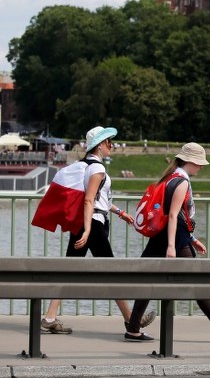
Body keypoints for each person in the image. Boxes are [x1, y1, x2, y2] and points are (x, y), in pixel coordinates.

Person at [42, 126, 156, 335]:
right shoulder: (97, 169)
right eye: (109, 142)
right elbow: (89, 200)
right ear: (101, 144)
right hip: (92, 224)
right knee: (111, 272)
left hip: (87, 221)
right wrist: (87, 230)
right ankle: (132, 324)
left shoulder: (86, 166)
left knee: (68, 269)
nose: (111, 145)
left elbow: (96, 200)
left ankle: (50, 317)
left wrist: (120, 212)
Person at [125, 143, 210, 341]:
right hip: (174, 238)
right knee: (196, 281)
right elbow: (173, 216)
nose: (201, 167)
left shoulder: (170, 178)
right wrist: (173, 246)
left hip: (162, 236)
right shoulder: (181, 182)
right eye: (199, 163)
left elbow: (177, 216)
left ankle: (133, 328)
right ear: (190, 161)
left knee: (147, 281)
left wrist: (193, 239)